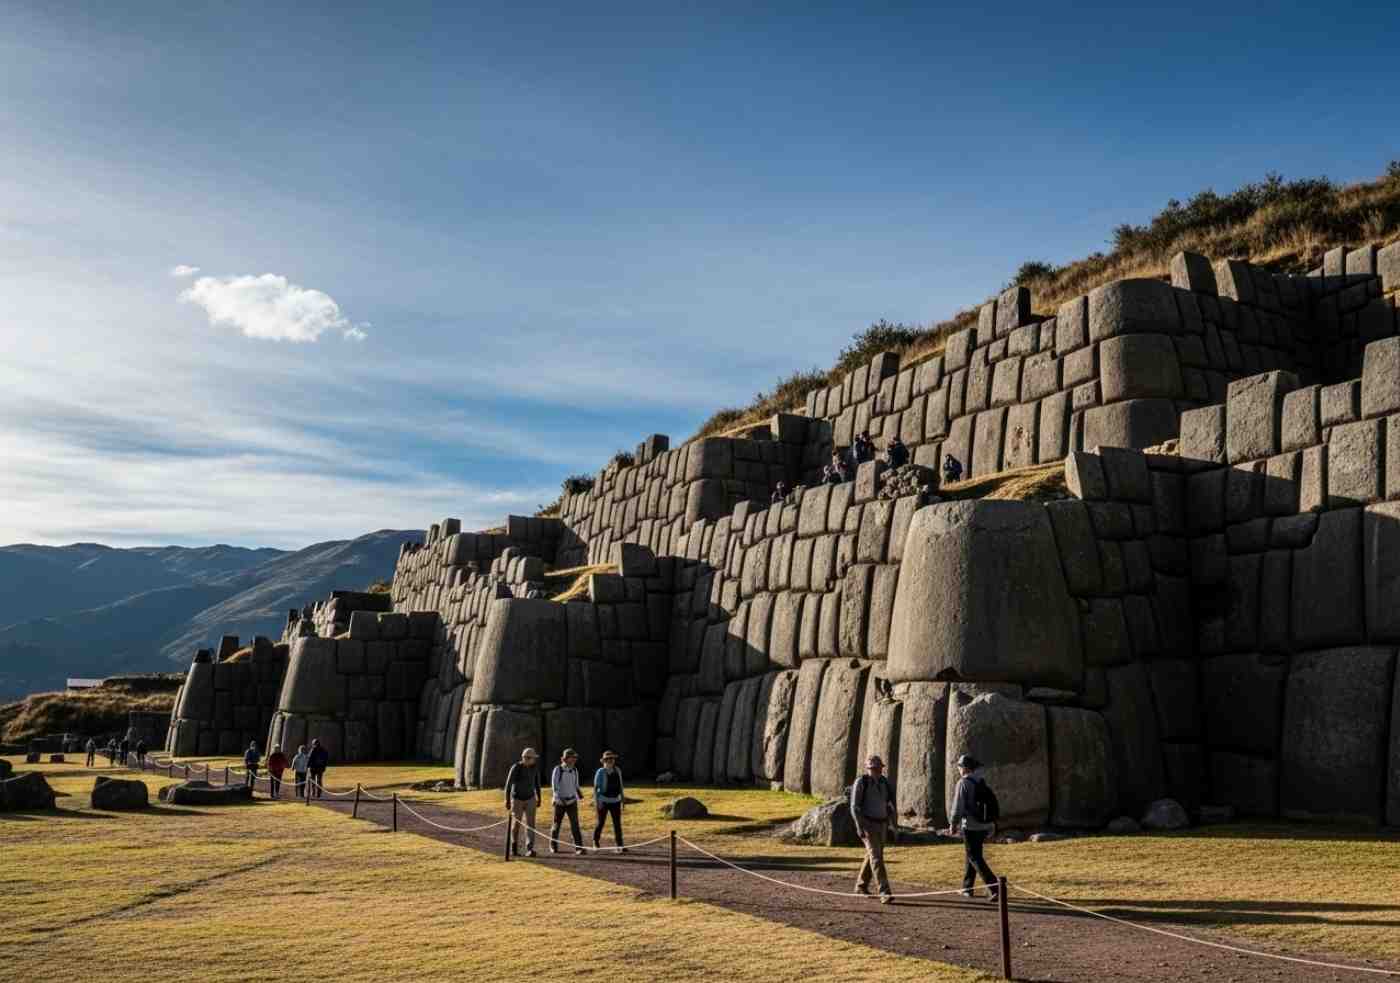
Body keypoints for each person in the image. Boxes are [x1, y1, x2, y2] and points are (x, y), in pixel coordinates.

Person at [943, 753, 999, 901]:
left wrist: (953, 823)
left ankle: (994, 887)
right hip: (983, 825)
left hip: (971, 826)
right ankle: (968, 888)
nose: (959, 769)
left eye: (960, 767)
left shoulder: (963, 783)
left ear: (965, 768)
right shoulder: (980, 781)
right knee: (972, 855)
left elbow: (958, 806)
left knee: (974, 857)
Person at [849, 754, 896, 904]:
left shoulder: (884, 783)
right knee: (877, 857)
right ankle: (884, 891)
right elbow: (854, 807)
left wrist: (893, 824)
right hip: (867, 824)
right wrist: (859, 826)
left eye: (879, 768)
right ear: (868, 769)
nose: (877, 771)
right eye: (874, 768)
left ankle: (861, 885)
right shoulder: (861, 782)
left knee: (872, 856)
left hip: (882, 824)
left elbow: (889, 805)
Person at [504, 747, 542, 857]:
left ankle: (530, 849)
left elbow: (537, 784)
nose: (534, 760)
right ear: (527, 758)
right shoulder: (516, 767)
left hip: (530, 799)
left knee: (531, 825)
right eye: (533, 758)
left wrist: (539, 798)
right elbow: (508, 784)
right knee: (516, 824)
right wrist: (507, 800)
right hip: (517, 799)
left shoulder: (535, 768)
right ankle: (514, 847)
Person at [549, 747, 586, 855]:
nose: (574, 760)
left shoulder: (575, 770)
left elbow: (576, 785)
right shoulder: (558, 769)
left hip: (572, 802)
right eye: (572, 758)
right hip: (560, 803)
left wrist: (580, 796)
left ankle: (578, 847)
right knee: (556, 824)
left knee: (575, 825)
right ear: (565, 759)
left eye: (574, 758)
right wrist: (558, 799)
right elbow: (554, 786)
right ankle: (553, 845)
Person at [592, 750, 627, 854]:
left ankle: (620, 845)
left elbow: (621, 785)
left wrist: (623, 799)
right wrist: (596, 802)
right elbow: (595, 788)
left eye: (612, 759)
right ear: (604, 761)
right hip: (603, 801)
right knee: (600, 822)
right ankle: (595, 841)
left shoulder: (618, 770)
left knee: (617, 824)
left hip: (616, 801)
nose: (610, 761)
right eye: (608, 759)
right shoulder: (600, 772)